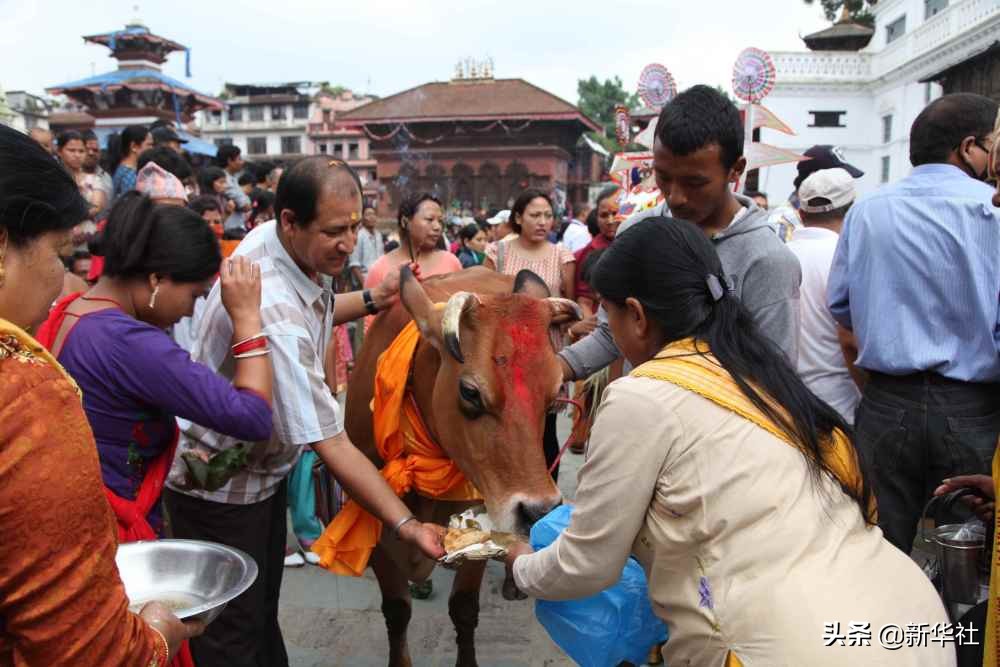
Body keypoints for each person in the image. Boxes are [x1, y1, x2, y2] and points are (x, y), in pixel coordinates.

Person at [506, 218, 953, 667]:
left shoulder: (641, 395)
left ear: (637, 316)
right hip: (911, 623)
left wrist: (518, 561)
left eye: (610, 317)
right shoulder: (760, 372)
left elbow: (588, 564)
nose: (610, 334)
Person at [163, 158, 445, 666]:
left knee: (261, 612)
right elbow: (331, 441)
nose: (347, 241)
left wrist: (373, 300)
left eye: (356, 226)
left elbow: (313, 308)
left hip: (254, 478)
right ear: (290, 220)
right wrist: (405, 525)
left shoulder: (279, 247)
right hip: (221, 491)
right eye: (334, 230)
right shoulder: (270, 303)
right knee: (231, 635)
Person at [0, 123, 203, 666]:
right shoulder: (24, 395)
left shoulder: (75, 318)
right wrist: (157, 633)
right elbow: (88, 652)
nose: (64, 279)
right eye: (59, 255)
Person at [828, 92, 1000, 554]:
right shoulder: (994, 207)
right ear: (968, 148)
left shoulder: (866, 211)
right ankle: (957, 627)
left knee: (880, 552)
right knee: (976, 557)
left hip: (887, 402)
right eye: (993, 145)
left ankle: (896, 628)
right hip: (973, 407)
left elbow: (841, 306)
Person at [558, 84, 802, 386]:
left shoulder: (767, 261)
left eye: (694, 183)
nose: (676, 197)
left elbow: (776, 377)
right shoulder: (636, 233)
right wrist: (553, 370)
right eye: (664, 177)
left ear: (735, 170)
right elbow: (611, 334)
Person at [485, 189, 575, 480]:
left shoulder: (562, 257)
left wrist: (537, 313)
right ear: (518, 218)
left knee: (545, 431)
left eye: (548, 216)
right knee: (504, 424)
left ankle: (548, 499)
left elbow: (571, 307)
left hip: (545, 355)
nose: (543, 222)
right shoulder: (496, 253)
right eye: (535, 215)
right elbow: (485, 300)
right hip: (504, 356)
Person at [786, 168, 862, 425]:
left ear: (801, 213)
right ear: (851, 211)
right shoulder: (849, 259)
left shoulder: (776, 255)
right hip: (840, 408)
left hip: (783, 405)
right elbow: (851, 339)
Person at [365, 192, 462, 290]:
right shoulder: (379, 270)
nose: (437, 227)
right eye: (429, 219)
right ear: (405, 222)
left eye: (440, 221)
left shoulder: (452, 263)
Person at [57, 130, 106, 244]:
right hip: (60, 239)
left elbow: (96, 207)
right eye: (71, 150)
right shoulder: (54, 178)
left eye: (81, 151)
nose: (77, 155)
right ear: (59, 151)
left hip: (87, 239)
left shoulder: (94, 180)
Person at [108, 125, 153, 200]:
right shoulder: (130, 177)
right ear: (134, 147)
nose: (152, 149)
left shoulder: (122, 170)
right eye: (149, 145)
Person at [217, 145, 251, 236]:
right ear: (230, 161)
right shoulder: (223, 180)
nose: (242, 162)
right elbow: (246, 206)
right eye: (239, 159)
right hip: (230, 230)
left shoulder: (232, 177)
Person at [349, 206, 384, 286]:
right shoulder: (359, 236)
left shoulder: (378, 235)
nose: (371, 217)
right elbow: (354, 265)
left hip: (379, 281)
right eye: (368, 214)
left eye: (373, 214)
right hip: (364, 281)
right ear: (362, 218)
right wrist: (365, 285)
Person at [81, 129, 113, 216]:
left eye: (95, 150)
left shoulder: (106, 178)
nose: (91, 153)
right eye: (87, 149)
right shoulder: (71, 177)